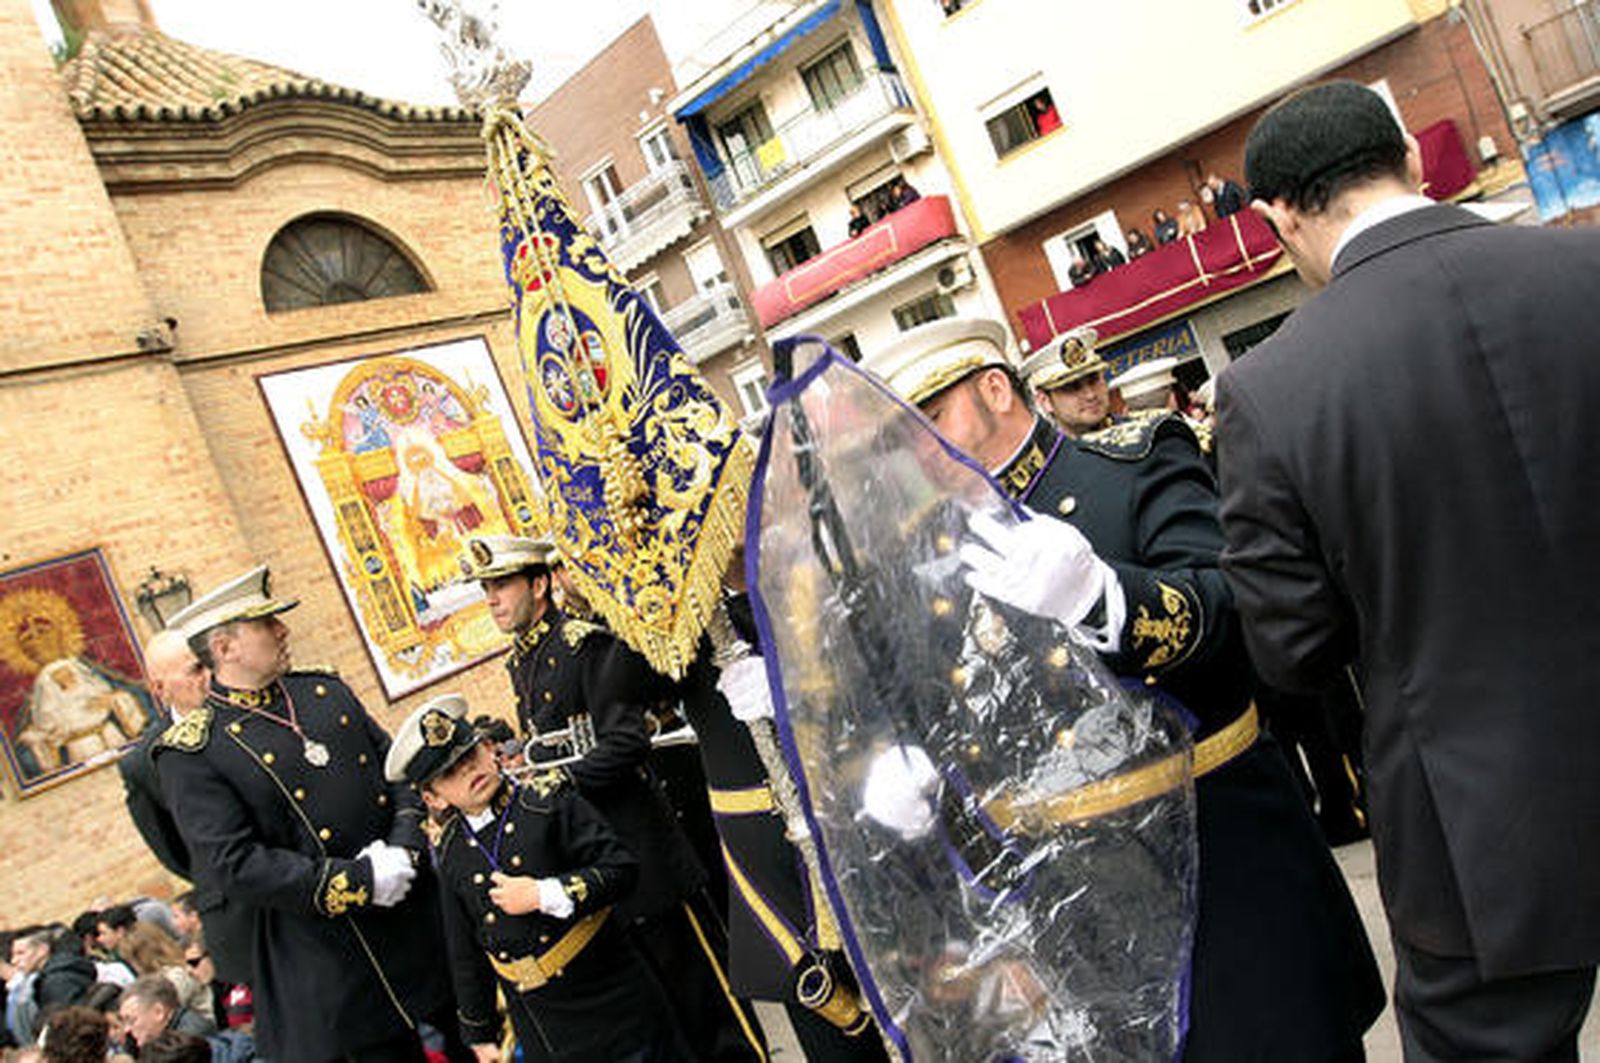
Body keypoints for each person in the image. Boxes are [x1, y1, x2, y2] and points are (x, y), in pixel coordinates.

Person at [860, 317, 1383, 1062]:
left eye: (930, 419)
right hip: (1076, 911)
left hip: (1219, 864)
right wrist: (917, 767)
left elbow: (1232, 608)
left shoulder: (1134, 464)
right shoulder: (933, 547)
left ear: (995, 389)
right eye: (901, 436)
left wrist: (1108, 599)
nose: (918, 450)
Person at [1215, 79, 1600, 1062]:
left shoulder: (1271, 386)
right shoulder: (1585, 266)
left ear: (1277, 217)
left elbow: (1291, 647)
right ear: (1414, 162)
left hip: (1477, 823)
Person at [464, 536, 766, 1063]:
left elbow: (624, 741)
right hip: (603, 866)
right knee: (668, 1024)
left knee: (711, 1016)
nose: (490, 598)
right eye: (485, 588)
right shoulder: (523, 661)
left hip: (648, 863)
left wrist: (558, 783)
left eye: (500, 585)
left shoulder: (582, 644)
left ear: (538, 585)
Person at [154, 565, 470, 1063]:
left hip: (414, 910)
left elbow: (399, 773)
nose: (283, 631)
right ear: (224, 648)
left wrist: (404, 849)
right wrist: (361, 880)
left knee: (477, 1034)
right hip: (331, 950)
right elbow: (235, 863)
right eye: (265, 625)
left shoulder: (322, 691)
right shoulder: (194, 752)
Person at [386, 692, 682, 1062]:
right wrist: (479, 1032)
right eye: (449, 772)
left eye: (469, 755)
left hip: (612, 1004)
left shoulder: (547, 800)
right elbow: (465, 950)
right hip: (543, 1027)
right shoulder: (450, 853)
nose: (467, 771)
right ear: (433, 799)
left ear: (489, 750)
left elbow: (620, 869)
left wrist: (546, 893)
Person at [1018, 326, 1114, 436]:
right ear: (1045, 401)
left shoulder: (1135, 432)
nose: (1090, 395)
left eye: (1093, 380)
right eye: (1073, 387)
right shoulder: (1049, 452)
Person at [116, 977, 213, 1052]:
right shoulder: (163, 1039)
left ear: (158, 1012)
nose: (126, 1029)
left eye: (132, 1020)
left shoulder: (191, 1040)